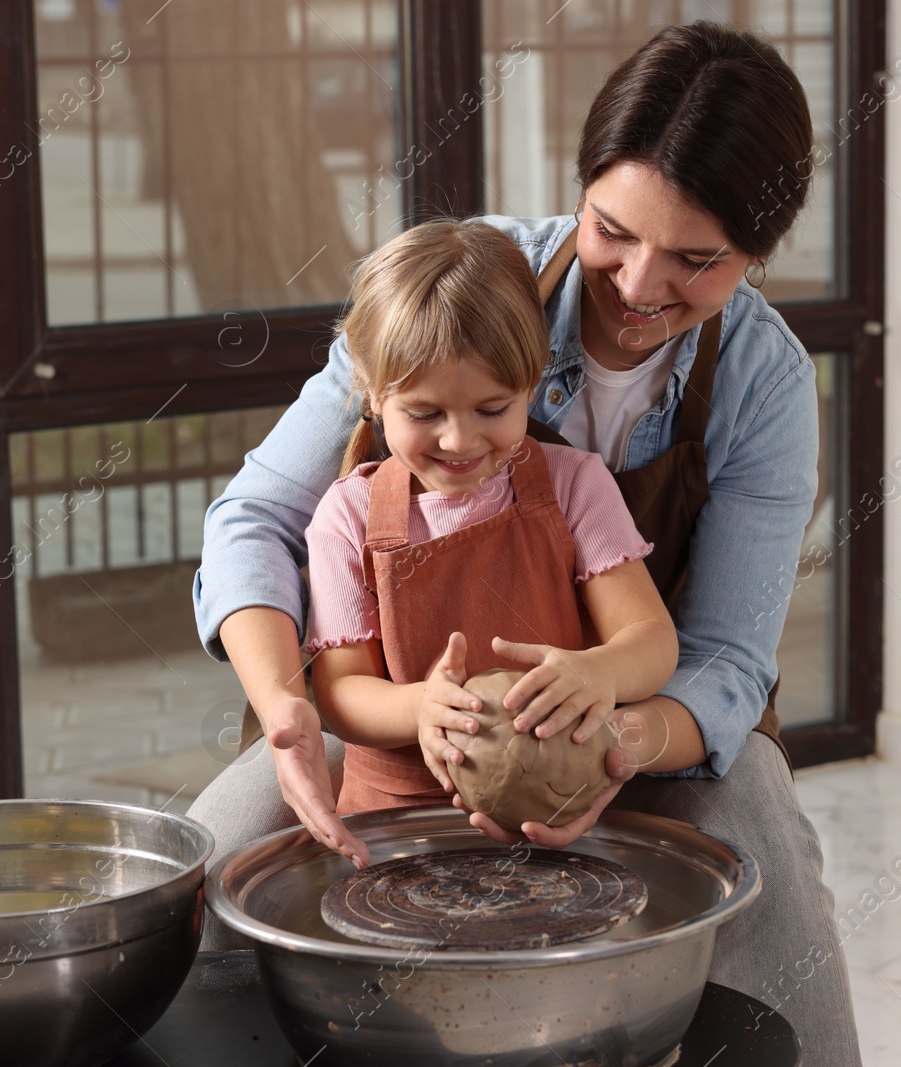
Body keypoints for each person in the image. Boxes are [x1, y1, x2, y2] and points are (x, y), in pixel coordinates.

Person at [190, 20, 863, 1064]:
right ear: (581, 184)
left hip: (647, 713)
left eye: (696, 259)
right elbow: (254, 518)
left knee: (770, 872)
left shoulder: (764, 383)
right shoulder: (454, 291)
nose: (640, 285)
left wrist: (619, 737)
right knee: (210, 875)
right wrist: (288, 701)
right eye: (611, 229)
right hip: (388, 721)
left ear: (758, 253)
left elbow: (726, 656)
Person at [301, 219, 679, 819]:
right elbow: (340, 691)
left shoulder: (574, 485)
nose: (459, 439)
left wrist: (598, 671)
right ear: (373, 393)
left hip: (557, 807)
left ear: (532, 383)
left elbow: (653, 641)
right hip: (397, 820)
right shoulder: (348, 517)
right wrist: (419, 708)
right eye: (424, 413)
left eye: (492, 408)